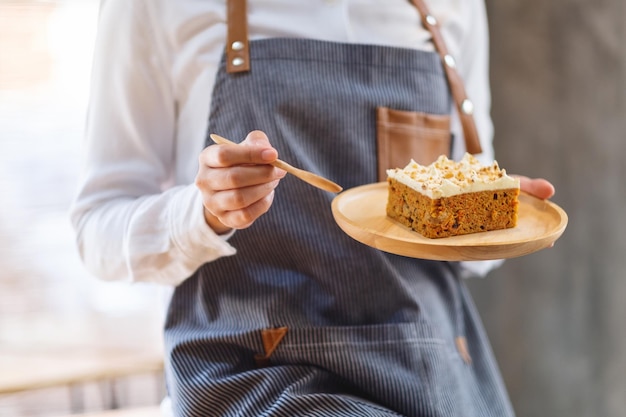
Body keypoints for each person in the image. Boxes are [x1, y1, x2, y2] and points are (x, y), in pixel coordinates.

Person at [71, 0, 555, 416]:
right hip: (255, 371)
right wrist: (202, 213)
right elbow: (97, 229)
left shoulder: (452, 8)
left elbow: (480, 252)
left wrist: (490, 211)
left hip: (431, 366)